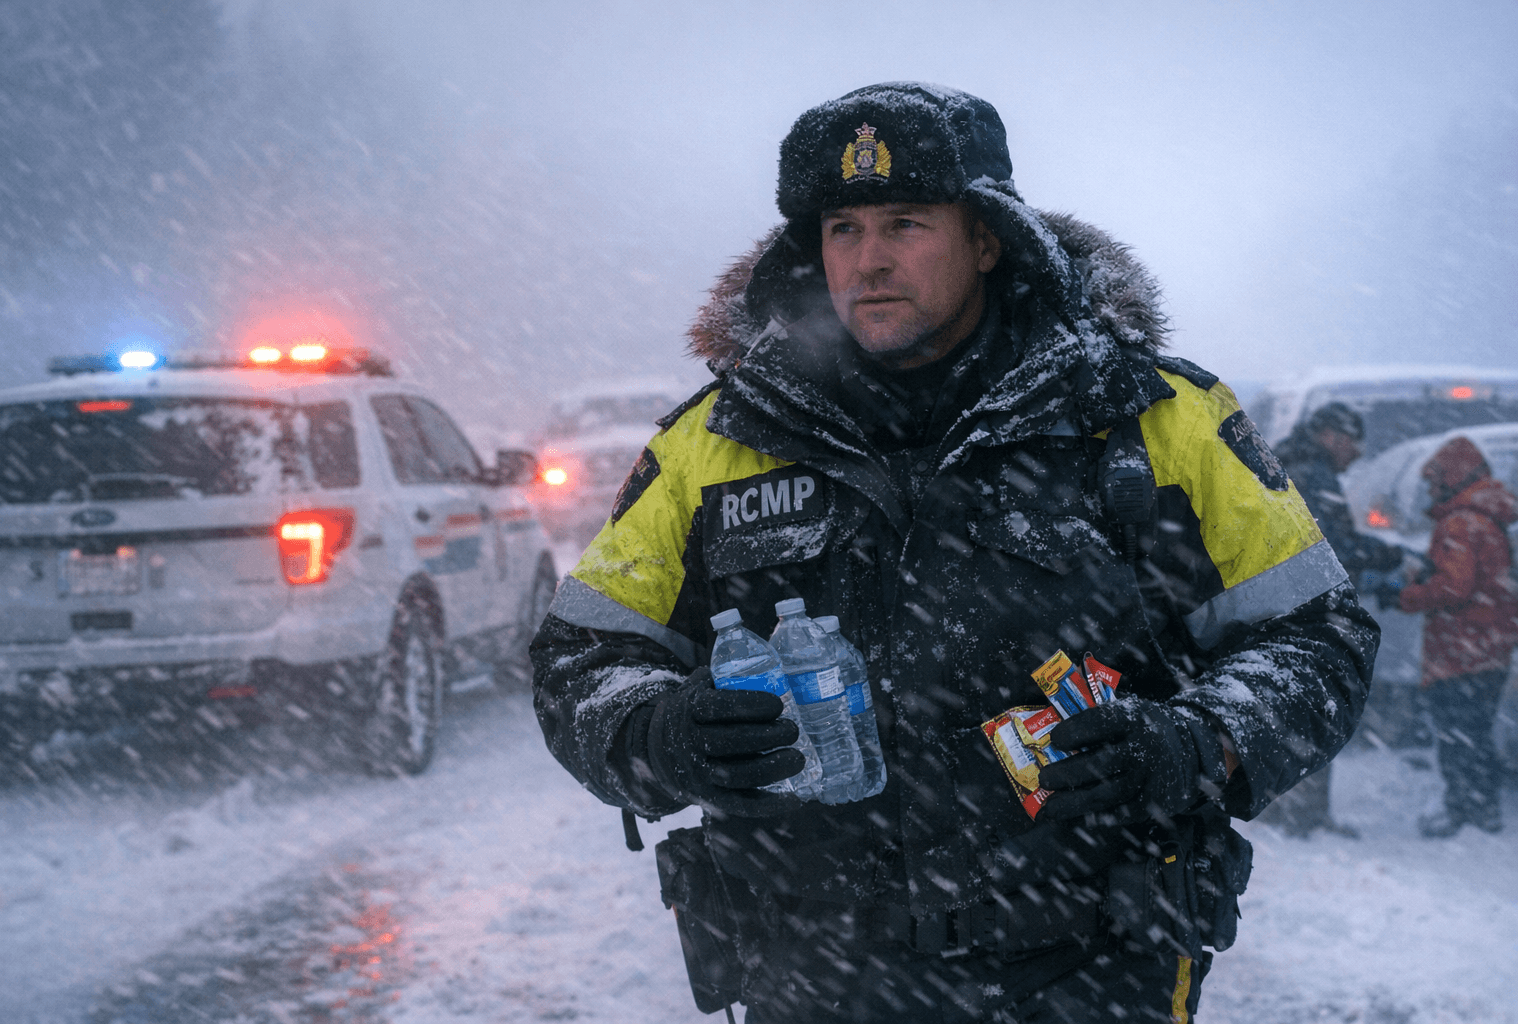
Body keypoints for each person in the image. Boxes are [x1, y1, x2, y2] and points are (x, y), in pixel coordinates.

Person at [532, 83, 1378, 1023]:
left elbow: (1317, 635)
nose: (869, 261)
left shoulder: (1151, 420)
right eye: (843, 228)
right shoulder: (711, 444)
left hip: (1095, 969)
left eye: (906, 222)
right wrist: (657, 734)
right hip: (814, 976)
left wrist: (1198, 742)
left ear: (987, 238)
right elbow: (581, 661)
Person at [1260, 402, 1405, 838]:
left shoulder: (1284, 461)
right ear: (1332, 435)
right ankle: (1303, 815)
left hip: (1276, 607)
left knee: (1285, 706)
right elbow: (1331, 547)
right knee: (1316, 707)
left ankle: (1283, 807)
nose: (1358, 453)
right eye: (1354, 442)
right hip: (1305, 609)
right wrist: (1390, 557)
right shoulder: (1315, 474)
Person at [1385, 436, 1517, 837]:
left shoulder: (1460, 522)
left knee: (1457, 734)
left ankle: (1466, 809)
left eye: (1435, 482)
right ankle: (1482, 806)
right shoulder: (1486, 518)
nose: (1430, 490)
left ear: (1452, 478)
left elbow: (1455, 587)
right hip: (1489, 643)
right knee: (1475, 729)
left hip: (1461, 645)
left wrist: (1406, 594)